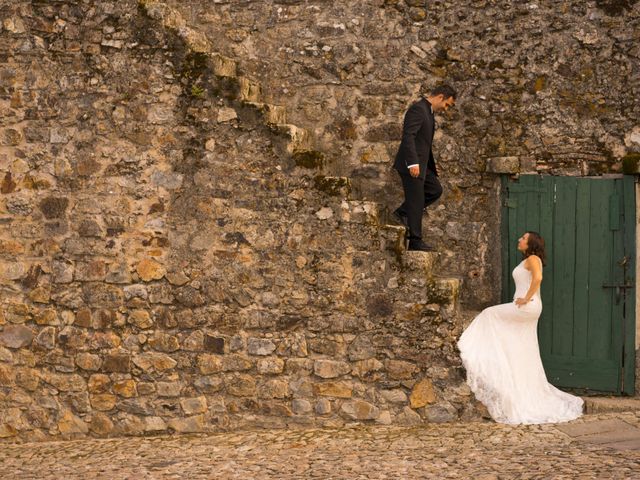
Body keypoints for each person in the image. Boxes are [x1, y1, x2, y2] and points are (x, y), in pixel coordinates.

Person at [458, 232, 584, 424]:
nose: (519, 240)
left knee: (489, 314)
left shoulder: (533, 258)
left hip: (528, 305)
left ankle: (471, 348)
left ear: (531, 243)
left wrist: (526, 297)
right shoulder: (529, 259)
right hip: (529, 306)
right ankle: (513, 377)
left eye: (523, 238)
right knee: (521, 345)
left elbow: (538, 278)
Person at [392, 84, 456, 251]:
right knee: (416, 200)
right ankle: (415, 240)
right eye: (447, 104)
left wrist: (429, 165)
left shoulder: (429, 112)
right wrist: (412, 163)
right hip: (411, 164)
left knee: (435, 189)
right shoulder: (418, 109)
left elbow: (424, 143)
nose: (446, 109)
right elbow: (409, 137)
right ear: (440, 97)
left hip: (422, 165)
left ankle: (402, 212)